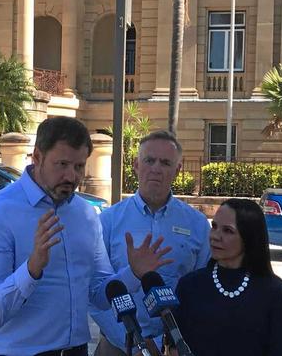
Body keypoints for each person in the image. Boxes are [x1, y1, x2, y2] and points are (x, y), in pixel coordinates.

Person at [0, 116, 172, 356]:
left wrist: (133, 273)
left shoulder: (84, 214)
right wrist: (32, 269)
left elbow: (98, 296)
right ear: (37, 158)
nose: (71, 176)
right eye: (62, 164)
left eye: (79, 166)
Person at [90, 130, 211, 355]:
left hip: (173, 347)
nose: (156, 168)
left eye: (165, 162)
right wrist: (133, 344)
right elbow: (94, 293)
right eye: (149, 160)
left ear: (178, 170)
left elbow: (201, 292)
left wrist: (163, 342)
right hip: (117, 347)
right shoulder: (108, 221)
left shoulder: (198, 225)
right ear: (136, 165)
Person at [171, 198, 282, 356]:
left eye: (227, 230)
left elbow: (281, 350)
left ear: (248, 237)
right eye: (214, 227)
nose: (215, 236)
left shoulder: (273, 290)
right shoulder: (190, 285)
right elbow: (175, 346)